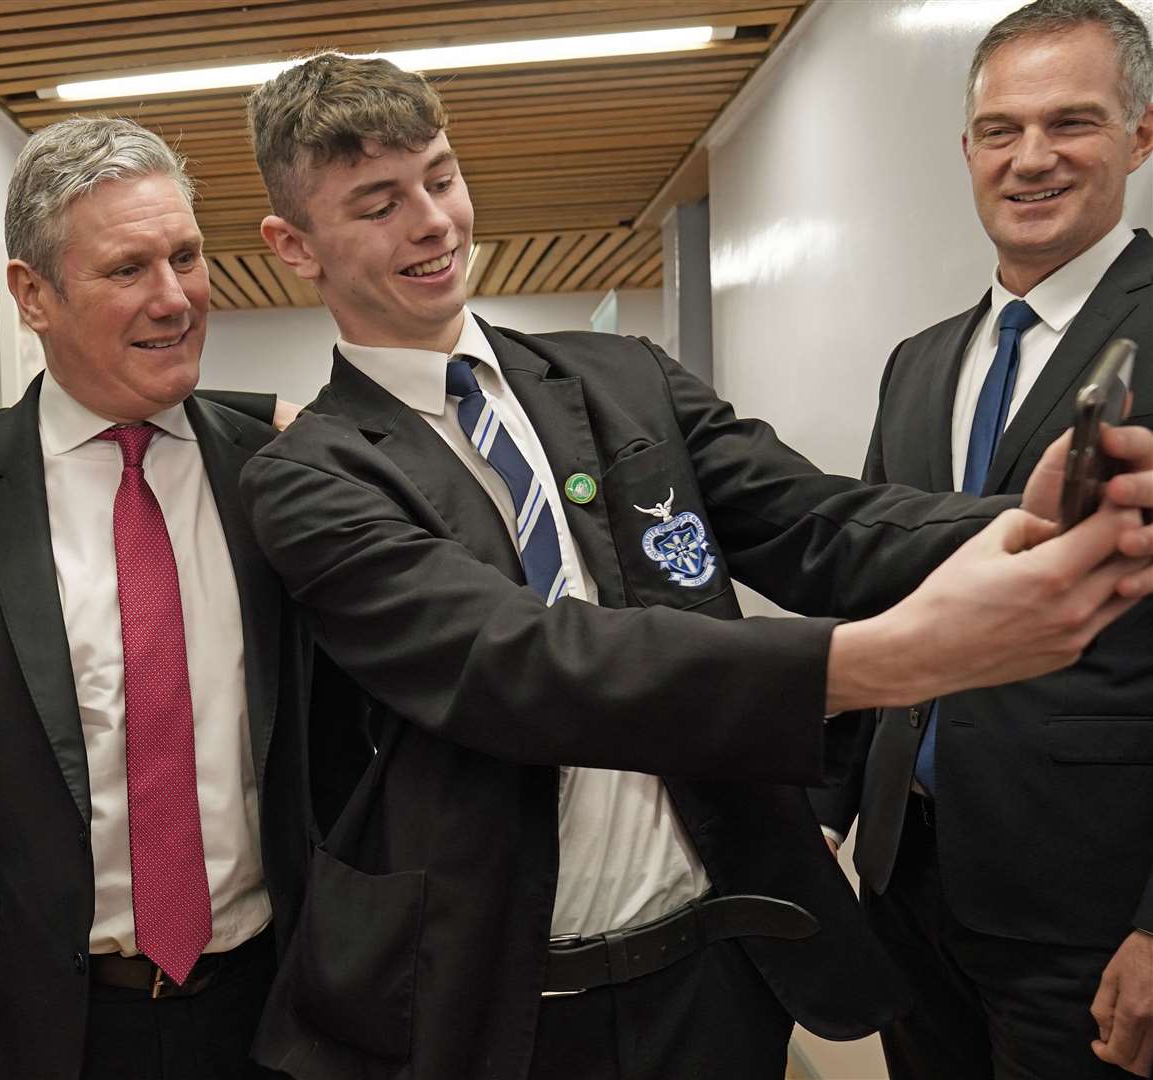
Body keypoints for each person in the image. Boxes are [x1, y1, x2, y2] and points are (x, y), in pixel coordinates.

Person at [235, 52, 1153, 1079]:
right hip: (498, 1002)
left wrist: (1012, 526)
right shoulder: (311, 478)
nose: (433, 223)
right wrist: (877, 662)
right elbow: (521, 663)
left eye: (441, 178)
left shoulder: (621, 380)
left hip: (714, 979)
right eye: (376, 204)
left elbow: (822, 525)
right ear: (293, 247)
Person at [0, 116, 364, 1080]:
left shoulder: (280, 476)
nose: (174, 298)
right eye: (127, 269)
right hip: (42, 1028)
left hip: (276, 1014)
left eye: (185, 256)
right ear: (31, 293)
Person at [810, 2, 1153, 1076]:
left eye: (1073, 123)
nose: (1032, 158)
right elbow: (875, 592)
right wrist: (819, 817)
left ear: (1142, 135)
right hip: (907, 878)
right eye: (1001, 129)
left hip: (1089, 910)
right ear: (967, 149)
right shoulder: (920, 362)